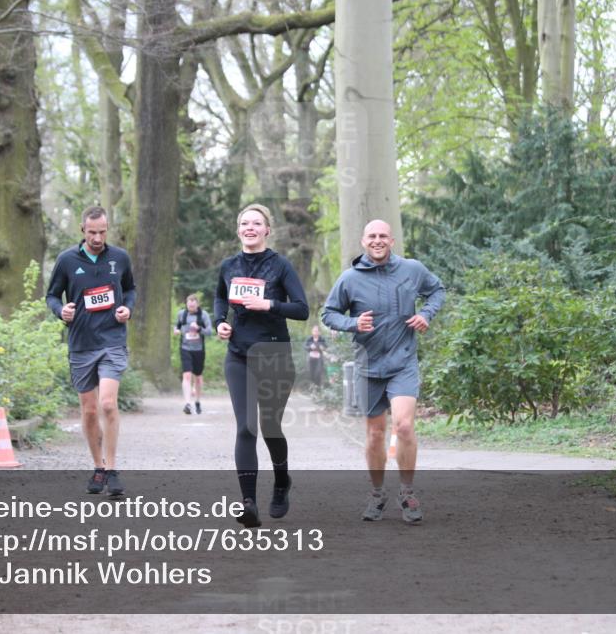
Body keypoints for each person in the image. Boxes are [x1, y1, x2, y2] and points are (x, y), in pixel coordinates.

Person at [321, 219, 445, 524]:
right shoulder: (350, 278)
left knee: (403, 426)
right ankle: (377, 494)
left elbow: (437, 291)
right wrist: (352, 323)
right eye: (372, 236)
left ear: (392, 241)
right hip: (368, 366)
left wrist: (426, 314)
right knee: (375, 434)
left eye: (383, 236)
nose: (377, 240)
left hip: (403, 361)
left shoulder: (412, 269)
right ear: (363, 242)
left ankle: (407, 492)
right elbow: (329, 313)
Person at [215, 204, 309, 527]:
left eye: (256, 223)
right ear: (238, 229)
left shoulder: (280, 265)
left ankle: (282, 481)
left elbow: (302, 309)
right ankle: (249, 503)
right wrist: (220, 321)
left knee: (270, 427)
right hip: (238, 355)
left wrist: (268, 304)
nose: (250, 228)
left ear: (267, 230)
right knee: (246, 427)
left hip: (273, 355)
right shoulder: (229, 266)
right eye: (245, 223)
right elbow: (220, 297)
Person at [46, 206, 135, 496]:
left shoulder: (120, 258)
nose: (97, 238)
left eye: (102, 232)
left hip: (112, 340)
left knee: (107, 403)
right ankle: (98, 467)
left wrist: (127, 308)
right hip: (81, 344)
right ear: (82, 230)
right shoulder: (67, 260)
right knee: (89, 410)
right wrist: (61, 310)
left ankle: (113, 470)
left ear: (107, 230)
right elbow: (52, 295)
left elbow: (130, 289)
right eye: (92, 232)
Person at [174, 293, 212, 414]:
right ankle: (187, 404)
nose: (190, 307)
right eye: (189, 305)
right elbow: (177, 326)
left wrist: (199, 328)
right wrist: (176, 330)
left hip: (199, 350)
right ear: (186, 304)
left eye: (193, 305)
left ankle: (197, 401)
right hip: (185, 348)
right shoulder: (182, 314)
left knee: (198, 378)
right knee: (187, 375)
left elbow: (209, 332)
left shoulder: (203, 315)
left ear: (197, 304)